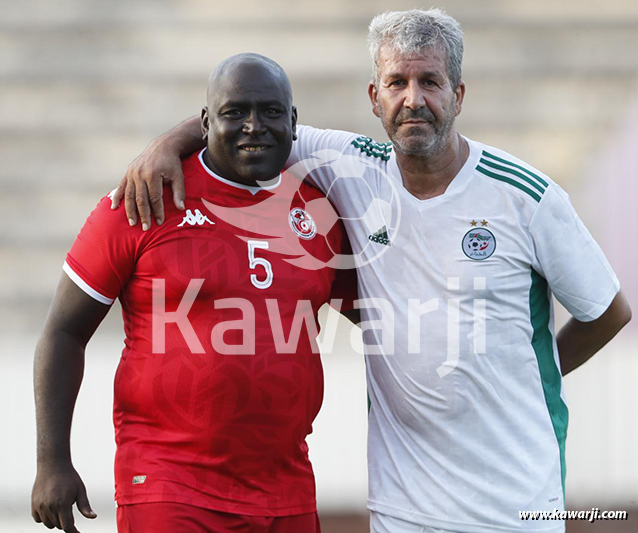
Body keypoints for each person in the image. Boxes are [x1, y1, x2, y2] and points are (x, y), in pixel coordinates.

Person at [113, 9, 631, 533]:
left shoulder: (526, 197)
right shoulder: (349, 166)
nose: (413, 99)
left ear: (458, 95)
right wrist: (170, 143)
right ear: (374, 97)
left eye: (430, 81)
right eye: (396, 83)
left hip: (518, 503)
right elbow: (247, 121)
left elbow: (608, 310)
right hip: (402, 509)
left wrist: (532, 376)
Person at [32, 53, 358, 533]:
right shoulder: (145, 198)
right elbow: (62, 333)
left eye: (270, 112)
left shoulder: (318, 214)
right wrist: (52, 461)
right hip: (170, 485)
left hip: (286, 487)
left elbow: (380, 319)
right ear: (205, 122)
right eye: (233, 113)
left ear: (293, 121)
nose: (253, 126)